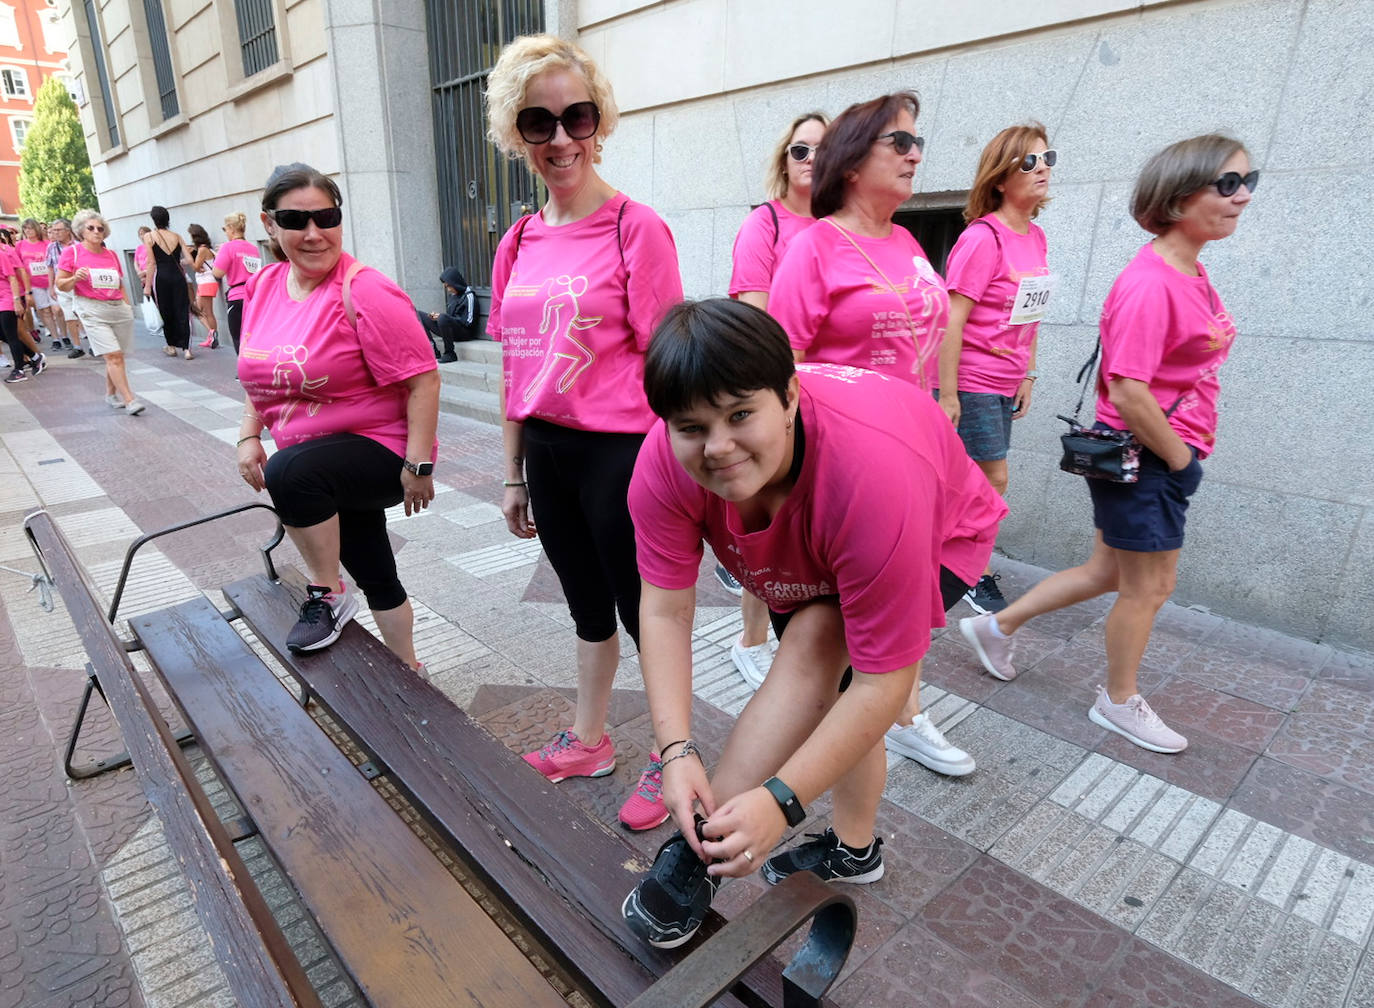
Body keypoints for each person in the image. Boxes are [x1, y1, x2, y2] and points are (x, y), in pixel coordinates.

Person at [620, 298, 1006, 949]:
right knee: (831, 677)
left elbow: (884, 684)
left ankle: (703, 855)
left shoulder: (871, 477)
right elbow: (663, 608)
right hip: (807, 547)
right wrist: (676, 752)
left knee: (821, 650)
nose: (717, 448)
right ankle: (855, 852)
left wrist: (783, 803)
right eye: (692, 427)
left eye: (741, 415)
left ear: (791, 396)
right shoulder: (665, 462)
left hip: (932, 529)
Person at [960, 134, 1256, 754]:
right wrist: (1179, 461)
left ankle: (995, 625)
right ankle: (1118, 700)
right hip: (1146, 455)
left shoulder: (1189, 269)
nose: (1243, 196)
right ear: (1179, 196)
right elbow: (1127, 389)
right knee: (1149, 587)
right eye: (1227, 184)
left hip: (1159, 452)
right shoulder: (1153, 282)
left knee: (1106, 571)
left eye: (1248, 181)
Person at [485, 34, 683, 832]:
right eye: (539, 122)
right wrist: (512, 471)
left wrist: (683, 478)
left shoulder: (637, 227)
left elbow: (670, 367)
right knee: (585, 608)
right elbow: (514, 367)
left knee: (648, 615)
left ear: (599, 122)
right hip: (550, 451)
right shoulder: (518, 241)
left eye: (577, 117)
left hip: (624, 452)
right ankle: (592, 739)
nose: (560, 138)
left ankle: (674, 757)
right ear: (516, 133)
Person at [768, 92, 971, 777]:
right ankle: (875, 725)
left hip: (915, 454)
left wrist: (942, 402)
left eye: (918, 142)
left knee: (908, 598)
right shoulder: (813, 248)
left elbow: (933, 331)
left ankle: (901, 712)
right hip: (847, 467)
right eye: (900, 143)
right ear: (852, 161)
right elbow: (782, 373)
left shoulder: (910, 242)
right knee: (859, 624)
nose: (917, 154)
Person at [235, 163, 439, 667]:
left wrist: (418, 466)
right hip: (321, 460)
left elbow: (424, 380)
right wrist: (248, 435)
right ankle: (412, 672)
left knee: (292, 474)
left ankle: (325, 593)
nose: (313, 233)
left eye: (325, 217)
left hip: (380, 450)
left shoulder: (364, 289)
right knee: (374, 567)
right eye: (295, 220)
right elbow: (259, 374)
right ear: (269, 224)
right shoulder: (263, 287)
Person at [721, 110, 828, 691]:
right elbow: (753, 320)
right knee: (770, 518)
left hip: (835, 398)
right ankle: (752, 639)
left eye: (823, 150)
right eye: (800, 150)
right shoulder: (765, 224)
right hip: (783, 394)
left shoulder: (839, 227)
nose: (811, 160)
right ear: (783, 159)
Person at [937, 123, 1057, 615]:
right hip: (974, 379)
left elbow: (1032, 313)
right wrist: (948, 395)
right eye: (1029, 162)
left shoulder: (1037, 237)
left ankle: (950, 558)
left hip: (1007, 380)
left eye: (1047, 157)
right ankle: (972, 572)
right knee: (993, 478)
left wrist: (1029, 373)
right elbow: (951, 318)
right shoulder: (983, 238)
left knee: (973, 479)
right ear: (1001, 177)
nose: (1043, 167)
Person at [55, 210, 142, 414]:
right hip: (91, 308)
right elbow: (60, 284)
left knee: (116, 355)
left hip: (117, 308)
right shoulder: (72, 253)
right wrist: (75, 278)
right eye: (91, 228)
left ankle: (110, 395)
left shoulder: (111, 254)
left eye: (100, 228)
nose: (97, 231)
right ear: (81, 231)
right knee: (113, 355)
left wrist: (127, 306)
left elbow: (119, 282)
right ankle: (130, 400)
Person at [144, 206, 194, 359]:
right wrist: (180, 262)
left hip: (161, 277)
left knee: (165, 310)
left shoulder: (149, 237)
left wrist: (147, 286)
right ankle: (187, 349)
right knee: (182, 310)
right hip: (177, 275)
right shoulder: (177, 236)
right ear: (168, 219)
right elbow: (190, 260)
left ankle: (171, 346)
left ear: (153, 219)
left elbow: (151, 263)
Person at [212, 212, 261, 353]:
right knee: (254, 336)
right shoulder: (254, 249)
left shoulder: (227, 247)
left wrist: (218, 255)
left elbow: (217, 273)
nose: (226, 233)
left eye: (225, 229)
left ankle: (243, 370)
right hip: (253, 297)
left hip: (237, 297)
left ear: (231, 229)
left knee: (238, 338)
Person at [17, 219, 63, 352]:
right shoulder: (20, 245)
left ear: (36, 229)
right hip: (33, 283)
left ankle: (63, 335)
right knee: (44, 310)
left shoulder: (47, 244)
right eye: (25, 228)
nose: (28, 231)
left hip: (50, 281)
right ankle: (55, 338)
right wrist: (25, 288)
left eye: (30, 228)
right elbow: (19, 265)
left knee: (57, 310)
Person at [419, 266, 478, 363]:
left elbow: (469, 322)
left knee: (443, 317)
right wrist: (437, 318)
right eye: (446, 287)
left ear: (455, 283)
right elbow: (449, 318)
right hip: (451, 331)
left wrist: (444, 318)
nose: (448, 290)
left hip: (465, 333)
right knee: (419, 315)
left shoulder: (470, 296)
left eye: (449, 286)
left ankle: (450, 353)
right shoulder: (453, 297)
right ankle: (433, 351)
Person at [46, 220, 87, 358]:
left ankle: (94, 344)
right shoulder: (51, 248)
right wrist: (51, 286)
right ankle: (77, 346)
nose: (55, 233)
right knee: (69, 316)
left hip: (80, 285)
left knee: (84, 315)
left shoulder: (79, 245)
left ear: (68, 230)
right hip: (62, 286)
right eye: (54, 230)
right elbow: (50, 268)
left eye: (58, 230)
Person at [188, 223, 220, 349]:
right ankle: (211, 335)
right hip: (205, 282)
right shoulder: (206, 248)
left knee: (207, 312)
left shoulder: (202, 250)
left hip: (206, 282)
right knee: (197, 310)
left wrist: (190, 259)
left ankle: (213, 335)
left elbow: (196, 267)